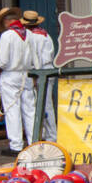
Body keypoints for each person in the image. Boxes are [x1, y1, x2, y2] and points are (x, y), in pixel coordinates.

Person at [0, 6, 34, 154]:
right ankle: (33, 142)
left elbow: (3, 61)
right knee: (30, 110)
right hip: (27, 74)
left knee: (12, 110)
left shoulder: (7, 36)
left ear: (6, 21)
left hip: (11, 75)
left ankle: (16, 145)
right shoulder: (28, 34)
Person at [23, 11, 57, 142]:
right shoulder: (45, 34)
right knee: (45, 103)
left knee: (45, 104)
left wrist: (35, 75)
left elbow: (36, 58)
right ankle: (48, 134)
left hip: (42, 71)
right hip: (48, 68)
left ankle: (51, 136)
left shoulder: (33, 36)